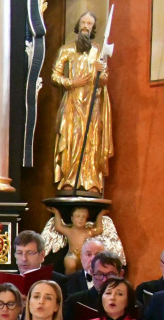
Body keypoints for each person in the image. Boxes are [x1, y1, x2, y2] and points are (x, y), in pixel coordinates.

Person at [52, 11, 112, 194]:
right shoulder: (66, 49)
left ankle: (90, 180)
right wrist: (72, 83)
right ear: (78, 26)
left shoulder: (98, 51)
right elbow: (55, 76)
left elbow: (104, 81)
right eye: (84, 22)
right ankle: (70, 179)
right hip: (72, 103)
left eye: (90, 24)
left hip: (92, 105)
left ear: (93, 28)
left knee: (91, 141)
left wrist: (101, 74)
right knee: (72, 138)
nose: (86, 26)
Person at [64, 250, 124, 320]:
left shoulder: (132, 304)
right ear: (92, 273)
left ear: (120, 274)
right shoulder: (74, 302)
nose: (104, 280)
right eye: (99, 274)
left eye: (110, 274)